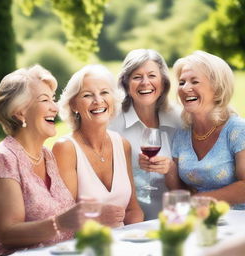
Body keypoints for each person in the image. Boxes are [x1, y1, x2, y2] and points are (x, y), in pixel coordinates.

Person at [0, 65, 90, 256]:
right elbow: (8, 234)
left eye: (53, 99)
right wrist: (60, 223)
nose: (55, 107)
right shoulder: (2, 159)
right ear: (20, 112)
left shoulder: (47, 156)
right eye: (45, 100)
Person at [52, 64, 144, 227]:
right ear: (73, 105)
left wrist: (133, 239)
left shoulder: (122, 145)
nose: (98, 100)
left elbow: (132, 209)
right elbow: (63, 218)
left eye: (104, 93)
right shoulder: (65, 148)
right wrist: (95, 218)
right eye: (88, 95)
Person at [165, 50, 245, 209]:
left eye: (194, 81)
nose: (185, 88)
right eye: (182, 82)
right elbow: (179, 191)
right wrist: (168, 168)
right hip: (199, 221)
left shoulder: (237, 129)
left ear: (217, 88)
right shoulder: (182, 134)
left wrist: (198, 200)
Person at [109, 49, 182, 220]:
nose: (145, 83)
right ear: (126, 84)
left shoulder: (180, 119)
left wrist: (170, 169)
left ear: (163, 82)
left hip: (174, 221)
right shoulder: (112, 123)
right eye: (137, 77)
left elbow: (190, 184)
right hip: (131, 225)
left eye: (152, 75)